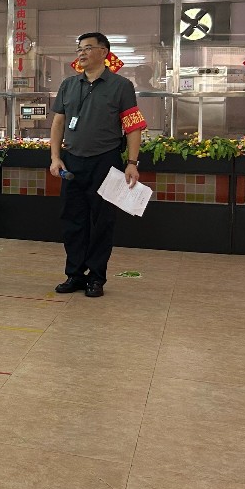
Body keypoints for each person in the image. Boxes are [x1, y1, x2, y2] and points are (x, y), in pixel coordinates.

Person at [48, 33, 145, 298]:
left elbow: (133, 126)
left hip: (107, 161)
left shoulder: (121, 86)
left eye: (88, 48)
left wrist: (132, 163)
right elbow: (58, 123)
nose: (82, 53)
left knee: (102, 222)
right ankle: (75, 274)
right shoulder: (69, 84)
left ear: (104, 52)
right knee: (72, 220)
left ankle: (97, 277)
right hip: (72, 162)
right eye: (79, 49)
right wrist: (55, 158)